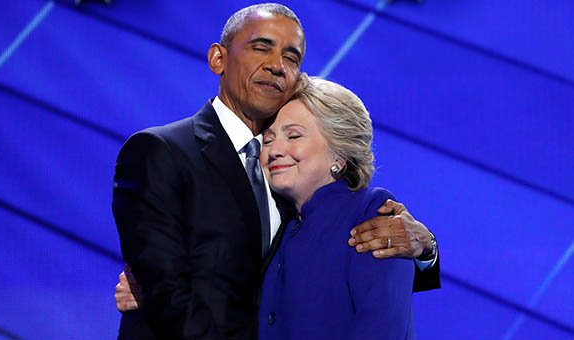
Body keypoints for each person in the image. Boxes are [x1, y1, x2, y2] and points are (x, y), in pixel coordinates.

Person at [112, 3, 438, 339]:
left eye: (292, 58)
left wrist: (427, 249)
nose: (278, 66)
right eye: (261, 47)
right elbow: (169, 296)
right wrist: (149, 294)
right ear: (218, 59)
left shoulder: (298, 181)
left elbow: (364, 275)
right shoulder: (160, 152)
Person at [259, 76, 414, 339]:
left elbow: (382, 327)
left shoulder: (371, 212)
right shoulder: (275, 223)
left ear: (339, 155)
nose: (274, 150)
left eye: (294, 135)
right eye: (268, 139)